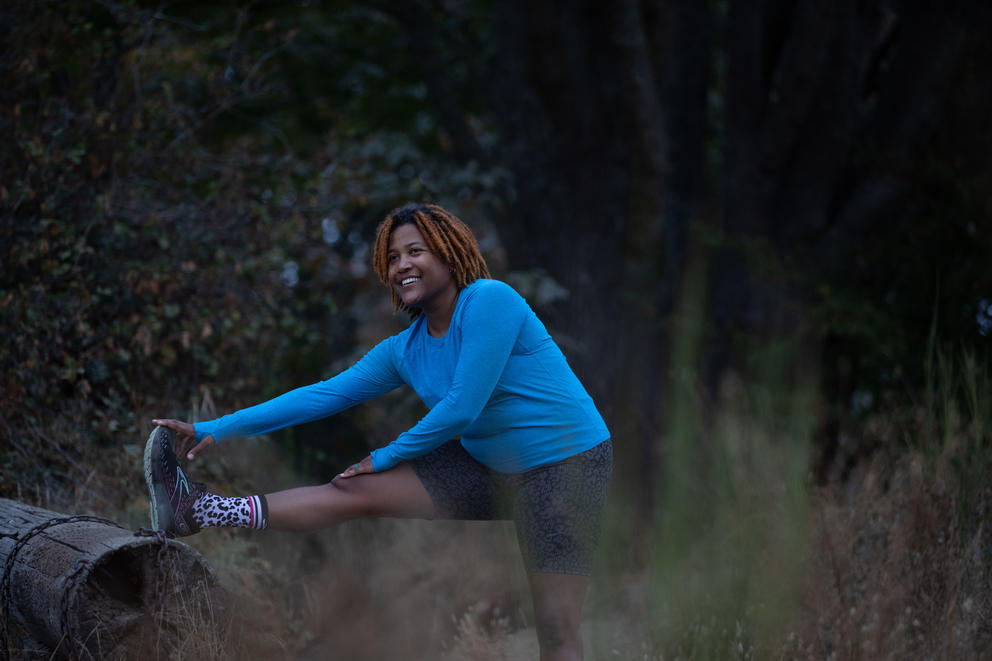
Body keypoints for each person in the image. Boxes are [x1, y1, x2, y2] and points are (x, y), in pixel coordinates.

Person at [147, 203, 612, 661]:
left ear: (449, 254)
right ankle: (198, 510)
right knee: (355, 488)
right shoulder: (404, 350)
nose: (401, 265)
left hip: (565, 467)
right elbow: (322, 395)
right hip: (489, 463)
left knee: (555, 629)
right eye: (392, 257)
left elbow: (461, 410)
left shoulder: (490, 300)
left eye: (415, 251)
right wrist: (214, 427)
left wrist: (387, 454)